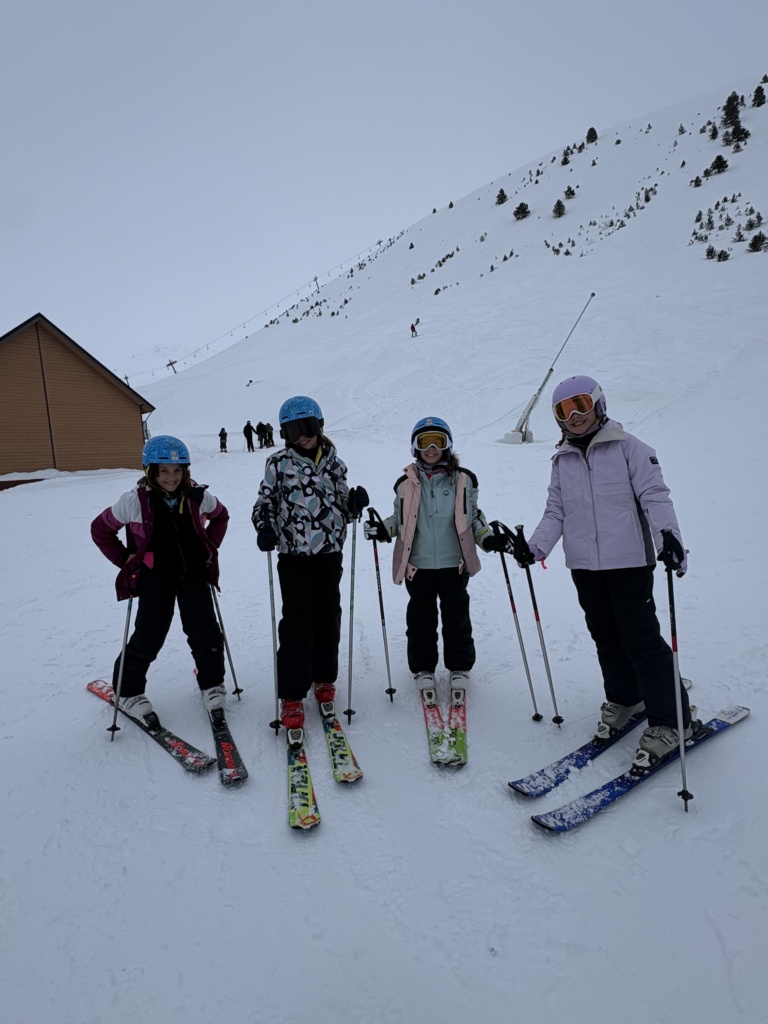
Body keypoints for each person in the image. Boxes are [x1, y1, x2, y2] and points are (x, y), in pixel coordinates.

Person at [509, 375, 695, 771]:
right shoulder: (563, 460)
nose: (574, 416)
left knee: (641, 640)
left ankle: (672, 720)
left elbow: (655, 497)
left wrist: (669, 540)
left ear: (599, 404)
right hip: (585, 567)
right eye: (563, 410)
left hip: (629, 563)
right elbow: (556, 511)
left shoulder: (630, 448)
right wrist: (536, 547)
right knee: (606, 637)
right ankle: (627, 697)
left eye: (580, 405)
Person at [90, 434, 230, 720]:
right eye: (163, 470)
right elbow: (100, 529)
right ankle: (128, 691)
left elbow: (221, 516)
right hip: (155, 578)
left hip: (194, 576)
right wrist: (124, 559)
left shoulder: (198, 497)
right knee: (149, 635)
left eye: (178, 470)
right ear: (150, 471)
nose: (171, 477)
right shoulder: (134, 501)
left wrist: (209, 548)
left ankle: (212, 683)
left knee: (205, 632)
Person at [251, 396, 368, 732]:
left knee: (328, 616)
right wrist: (265, 526)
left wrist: (353, 504)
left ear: (319, 425)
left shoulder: (335, 464)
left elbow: (342, 504)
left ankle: (323, 676)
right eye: (292, 431)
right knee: (298, 623)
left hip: (330, 553)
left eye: (306, 427)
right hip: (295, 556)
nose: (301, 436)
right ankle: (292, 693)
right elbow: (265, 503)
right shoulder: (278, 463)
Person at [364, 416, 497, 690]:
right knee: (420, 619)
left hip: (454, 564)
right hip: (419, 565)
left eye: (439, 441)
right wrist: (383, 529)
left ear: (448, 445)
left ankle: (459, 666)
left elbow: (474, 517)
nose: (432, 448)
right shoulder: (406, 483)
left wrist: (488, 538)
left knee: (457, 618)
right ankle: (423, 667)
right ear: (416, 446)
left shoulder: (463, 479)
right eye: (425, 442)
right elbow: (399, 518)